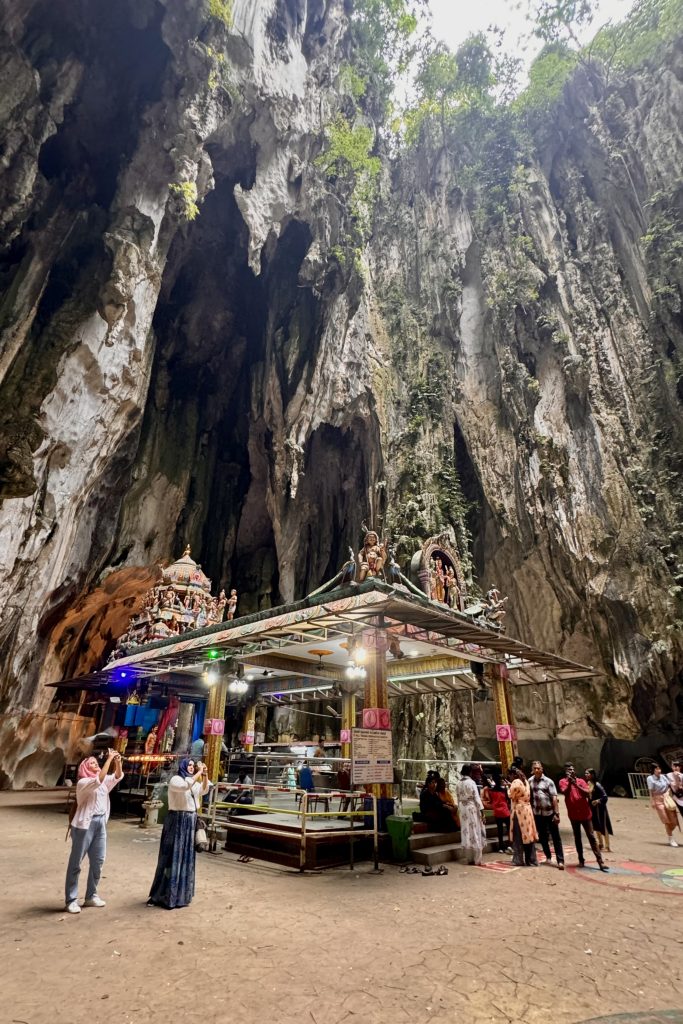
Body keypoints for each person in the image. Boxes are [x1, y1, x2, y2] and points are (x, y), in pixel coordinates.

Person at [65, 749, 124, 913]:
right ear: (84, 768)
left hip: (100, 823)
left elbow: (117, 776)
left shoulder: (104, 782)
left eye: (95, 762)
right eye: (91, 763)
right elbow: (98, 780)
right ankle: (71, 899)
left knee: (98, 861)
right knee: (76, 863)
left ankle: (91, 896)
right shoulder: (84, 783)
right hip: (84, 825)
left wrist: (117, 761)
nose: (94, 764)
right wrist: (109, 759)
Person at [147, 757, 210, 908]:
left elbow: (203, 790)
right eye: (188, 765)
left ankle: (181, 895)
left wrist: (205, 775)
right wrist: (198, 772)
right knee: (171, 856)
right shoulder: (176, 780)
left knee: (185, 857)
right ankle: (162, 894)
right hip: (177, 820)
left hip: (189, 821)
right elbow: (184, 787)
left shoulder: (193, 781)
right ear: (182, 766)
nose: (191, 767)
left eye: (192, 766)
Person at [559, 763, 608, 870]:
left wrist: (576, 784)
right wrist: (569, 783)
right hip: (573, 815)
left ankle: (600, 861)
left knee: (591, 837)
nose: (571, 771)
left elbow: (587, 794)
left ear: (575, 771)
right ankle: (581, 860)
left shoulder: (581, 781)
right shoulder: (562, 782)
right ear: (566, 772)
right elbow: (564, 792)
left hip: (585, 814)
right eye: (568, 770)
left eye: (572, 769)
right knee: (577, 838)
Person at [529, 761, 565, 870]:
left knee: (555, 837)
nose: (536, 770)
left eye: (538, 768)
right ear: (532, 770)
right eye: (534, 768)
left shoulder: (549, 781)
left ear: (542, 769)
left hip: (549, 813)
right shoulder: (530, 781)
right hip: (538, 814)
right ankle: (548, 856)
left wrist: (557, 814)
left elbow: (554, 798)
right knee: (543, 837)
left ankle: (560, 860)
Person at [455, 764, 485, 864]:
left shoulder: (458, 783)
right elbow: (477, 797)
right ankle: (477, 859)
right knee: (474, 831)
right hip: (471, 808)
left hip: (463, 808)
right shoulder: (471, 782)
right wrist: (481, 811)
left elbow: (458, 797)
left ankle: (469, 858)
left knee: (465, 831)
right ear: (470, 772)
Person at [508, 767, 538, 867]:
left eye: (510, 775)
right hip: (527, 810)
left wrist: (508, 787)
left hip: (519, 812)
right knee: (529, 836)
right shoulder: (525, 781)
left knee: (518, 836)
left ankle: (518, 859)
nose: (509, 777)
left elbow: (511, 795)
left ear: (513, 775)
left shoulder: (515, 782)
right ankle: (531, 860)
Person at [647, 765, 679, 846]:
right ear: (653, 770)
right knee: (666, 820)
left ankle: (669, 832)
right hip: (657, 799)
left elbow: (669, 786)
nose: (659, 770)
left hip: (666, 798)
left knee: (674, 821)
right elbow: (651, 791)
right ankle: (671, 838)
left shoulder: (663, 777)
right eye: (657, 769)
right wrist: (652, 801)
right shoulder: (650, 778)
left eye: (659, 768)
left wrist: (667, 792)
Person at [482, 770, 511, 854]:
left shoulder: (491, 791)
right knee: (509, 829)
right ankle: (509, 845)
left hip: (497, 812)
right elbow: (507, 800)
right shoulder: (504, 790)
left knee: (500, 830)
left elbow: (490, 800)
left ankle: (501, 847)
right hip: (505, 811)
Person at [585, 769, 613, 853]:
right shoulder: (588, 784)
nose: (586, 774)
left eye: (587, 773)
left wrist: (597, 801)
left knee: (603, 826)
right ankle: (600, 843)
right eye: (585, 773)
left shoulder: (597, 785)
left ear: (592, 774)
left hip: (600, 809)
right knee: (596, 826)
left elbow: (605, 796)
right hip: (592, 808)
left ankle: (607, 845)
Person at [666, 760, 683, 825]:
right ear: (671, 767)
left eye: (677, 766)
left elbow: (680, 787)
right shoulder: (668, 775)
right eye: (674, 766)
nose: (676, 768)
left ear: (680, 767)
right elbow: (670, 785)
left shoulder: (682, 775)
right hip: (676, 797)